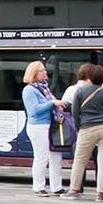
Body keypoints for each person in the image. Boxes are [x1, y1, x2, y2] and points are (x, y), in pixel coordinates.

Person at [66, 64, 103, 200]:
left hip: (87, 128)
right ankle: (101, 193)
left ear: (89, 77)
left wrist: (79, 128)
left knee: (80, 160)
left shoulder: (80, 91)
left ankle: (74, 190)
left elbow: (75, 112)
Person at [22, 61, 63, 196]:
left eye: (45, 70)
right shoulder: (29, 90)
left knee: (55, 156)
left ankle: (56, 187)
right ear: (34, 74)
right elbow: (34, 110)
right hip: (38, 126)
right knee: (41, 157)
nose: (46, 72)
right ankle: (38, 187)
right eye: (42, 71)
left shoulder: (44, 88)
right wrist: (52, 103)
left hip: (50, 125)